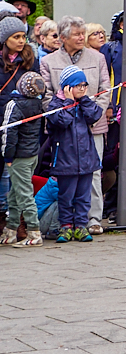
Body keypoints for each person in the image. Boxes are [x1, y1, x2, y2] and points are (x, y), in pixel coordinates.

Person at [41, 16, 112, 235]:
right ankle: (67, 222)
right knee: (68, 177)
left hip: (93, 125)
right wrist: (66, 112)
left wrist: (93, 113)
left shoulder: (97, 57)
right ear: (63, 38)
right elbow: (46, 97)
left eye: (83, 33)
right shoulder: (48, 62)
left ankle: (92, 219)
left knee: (93, 174)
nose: (82, 37)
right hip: (64, 131)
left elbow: (104, 89)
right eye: (77, 34)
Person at [46, 65, 103, 243]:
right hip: (65, 160)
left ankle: (80, 225)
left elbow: (95, 115)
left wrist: (83, 100)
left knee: (83, 196)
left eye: (85, 85)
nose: (83, 88)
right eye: (79, 85)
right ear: (67, 87)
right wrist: (69, 103)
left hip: (86, 159)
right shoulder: (56, 104)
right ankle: (65, 226)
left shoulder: (84, 103)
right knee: (66, 196)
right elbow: (61, 121)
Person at [0, 73, 46, 246]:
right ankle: (11, 229)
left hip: (18, 157)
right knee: (14, 193)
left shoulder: (14, 105)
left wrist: (7, 155)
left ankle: (34, 232)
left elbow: (8, 132)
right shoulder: (37, 103)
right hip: (32, 155)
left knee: (25, 194)